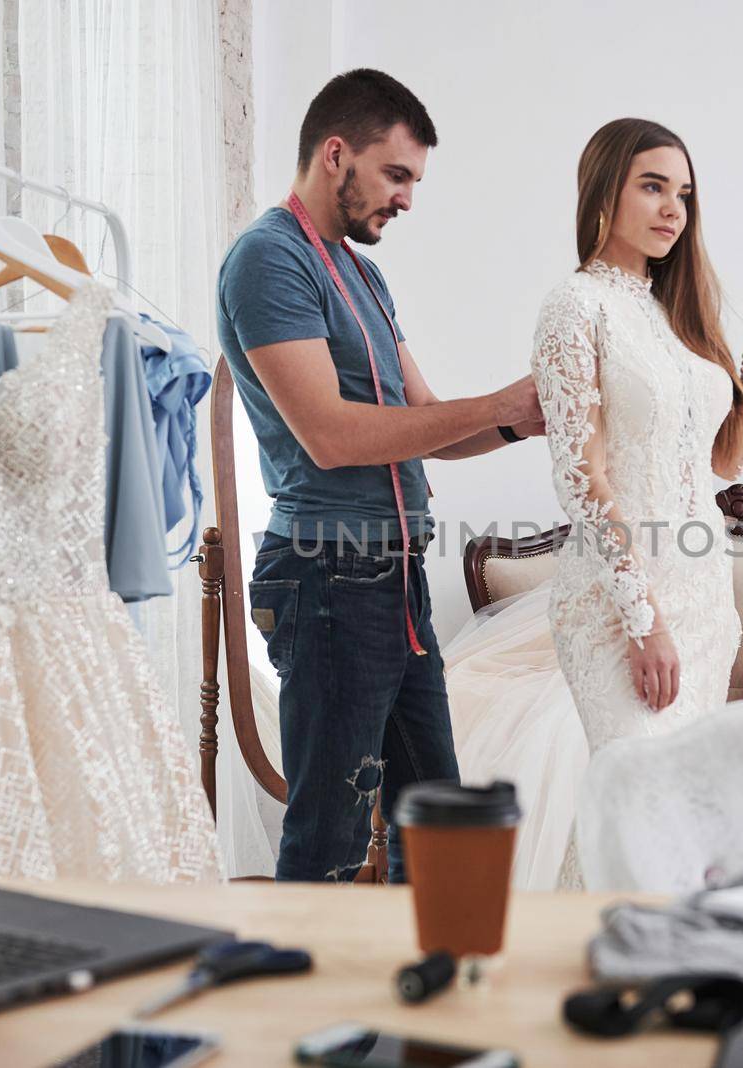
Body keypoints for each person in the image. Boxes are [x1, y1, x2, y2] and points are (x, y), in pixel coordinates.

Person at [446, 117, 743, 888]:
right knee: (643, 804)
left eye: (683, 192)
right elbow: (583, 478)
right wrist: (645, 624)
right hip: (618, 608)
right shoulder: (574, 308)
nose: (673, 208)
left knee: (675, 820)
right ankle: (594, 974)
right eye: (652, 186)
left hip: (705, 599)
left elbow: (724, 457)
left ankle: (647, 983)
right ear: (604, 190)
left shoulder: (681, 314)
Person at [216, 69, 543, 882]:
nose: (406, 200)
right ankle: (307, 1009)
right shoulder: (267, 261)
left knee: (438, 827)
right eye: (396, 174)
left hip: (394, 581)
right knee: (327, 841)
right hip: (327, 577)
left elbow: (425, 421)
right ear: (337, 155)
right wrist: (492, 402)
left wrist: (520, 418)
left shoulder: (363, 274)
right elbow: (330, 435)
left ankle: (418, 1000)